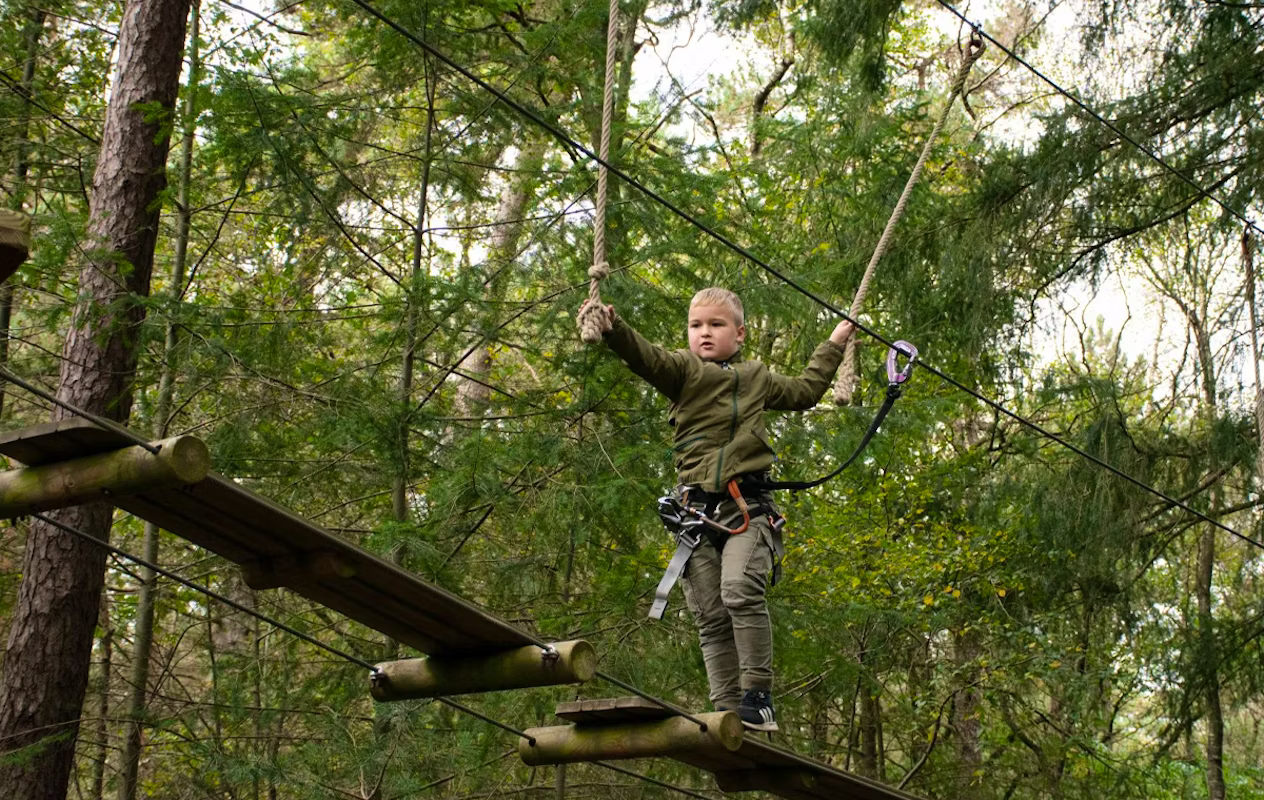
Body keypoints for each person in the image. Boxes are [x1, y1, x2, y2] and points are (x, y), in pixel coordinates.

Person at [580, 287, 854, 732]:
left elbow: (805, 391)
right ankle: (726, 710)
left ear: (739, 334)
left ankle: (758, 696)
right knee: (709, 615)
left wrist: (835, 344)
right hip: (696, 514)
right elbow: (645, 357)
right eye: (696, 325)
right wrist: (614, 329)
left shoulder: (757, 378)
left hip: (748, 509)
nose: (704, 333)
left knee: (739, 592)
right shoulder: (683, 372)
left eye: (716, 325)